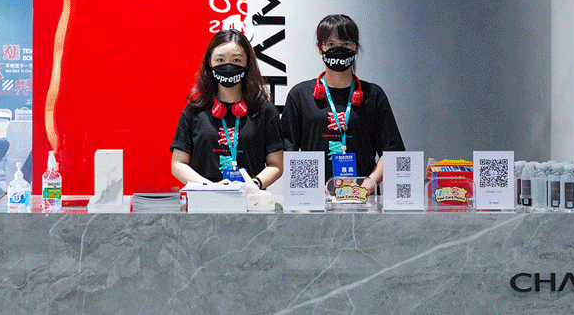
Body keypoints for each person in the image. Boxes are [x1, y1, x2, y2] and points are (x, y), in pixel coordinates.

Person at [282, 14, 404, 194]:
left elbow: (391, 151)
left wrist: (369, 183)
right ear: (320, 48)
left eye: (346, 44)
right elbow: (287, 150)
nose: (338, 49)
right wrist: (310, 188)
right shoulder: (300, 95)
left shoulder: (373, 95)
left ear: (355, 48)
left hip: (363, 198)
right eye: (331, 44)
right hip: (315, 199)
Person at [170, 29, 284, 189]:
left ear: (247, 63)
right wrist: (211, 188)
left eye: (236, 60)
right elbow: (178, 164)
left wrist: (252, 184)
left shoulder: (265, 111)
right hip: (206, 198)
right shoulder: (193, 111)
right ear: (210, 62)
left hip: (250, 199)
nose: (228, 65)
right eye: (220, 59)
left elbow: (276, 165)